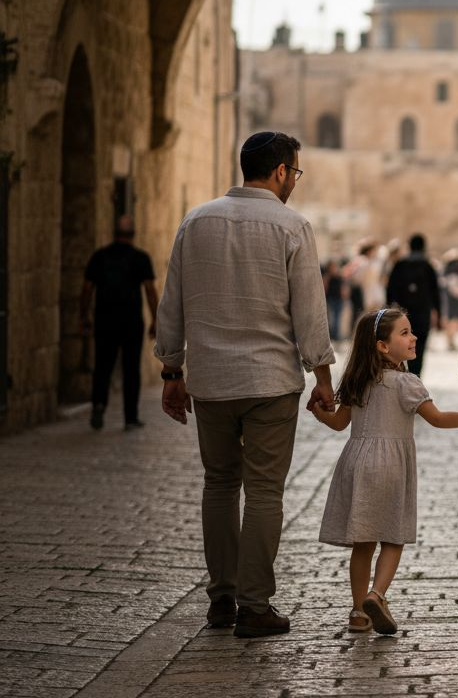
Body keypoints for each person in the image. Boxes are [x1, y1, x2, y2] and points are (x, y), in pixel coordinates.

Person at [155, 131, 336, 639]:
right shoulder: (292, 226)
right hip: (270, 381)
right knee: (263, 491)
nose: (294, 182)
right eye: (295, 172)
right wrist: (323, 376)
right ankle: (254, 606)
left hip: (212, 380)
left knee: (218, 484)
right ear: (280, 171)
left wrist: (172, 372)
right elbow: (310, 311)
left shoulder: (196, 221)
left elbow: (172, 302)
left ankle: (222, 598)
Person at [312, 306, 458, 635]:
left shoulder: (357, 380)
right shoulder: (407, 383)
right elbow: (437, 419)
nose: (414, 337)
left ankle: (358, 612)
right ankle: (377, 595)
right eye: (405, 333)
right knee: (393, 537)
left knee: (363, 542)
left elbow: (338, 423)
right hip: (391, 467)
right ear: (382, 346)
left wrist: (320, 413)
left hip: (356, 464)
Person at [80, 215, 159, 431]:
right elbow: (150, 290)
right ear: (133, 234)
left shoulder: (100, 257)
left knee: (102, 365)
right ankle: (130, 417)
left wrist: (84, 316)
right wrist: (155, 319)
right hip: (131, 322)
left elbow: (87, 289)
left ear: (114, 233)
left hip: (104, 320)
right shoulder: (141, 258)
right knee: (131, 368)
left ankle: (98, 404)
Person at [384, 234, 440, 376]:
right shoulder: (428, 266)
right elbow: (436, 293)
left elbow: (390, 289)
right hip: (422, 315)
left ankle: (401, 377)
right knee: (419, 348)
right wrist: (438, 315)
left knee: (399, 345)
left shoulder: (400, 264)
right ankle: (415, 377)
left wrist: (389, 311)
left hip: (403, 315)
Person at [439, 247, 458, 351]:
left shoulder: (450, 270)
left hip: (453, 299)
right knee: (454, 320)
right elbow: (454, 286)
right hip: (455, 300)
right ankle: (450, 341)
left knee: (454, 321)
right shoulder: (455, 269)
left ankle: (450, 341)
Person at [323, 258, 347, 341]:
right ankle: (331, 334)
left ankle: (336, 334)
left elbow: (343, 287)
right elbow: (325, 287)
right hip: (331, 298)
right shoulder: (327, 276)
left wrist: (344, 294)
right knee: (331, 317)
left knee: (337, 317)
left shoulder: (340, 276)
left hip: (339, 299)